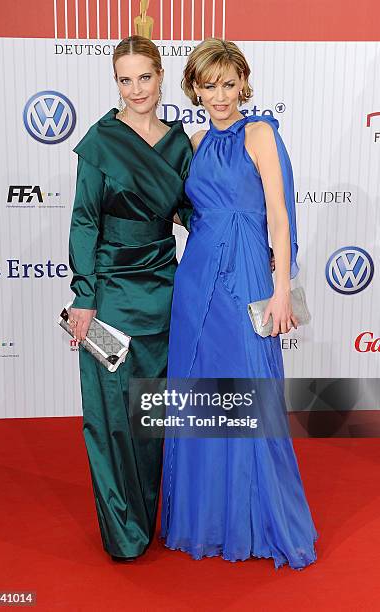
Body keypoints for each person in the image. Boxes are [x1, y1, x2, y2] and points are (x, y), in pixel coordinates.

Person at [161, 39, 318, 570]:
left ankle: (257, 518)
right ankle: (204, 520)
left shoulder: (261, 134)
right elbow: (173, 206)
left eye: (229, 84)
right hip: (197, 277)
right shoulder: (192, 140)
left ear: (242, 85)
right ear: (195, 88)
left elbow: (279, 216)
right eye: (210, 85)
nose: (220, 95)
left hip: (248, 274)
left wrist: (279, 289)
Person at [68, 35, 193, 561]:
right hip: (112, 294)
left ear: (161, 76)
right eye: (125, 78)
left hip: (166, 292)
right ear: (115, 81)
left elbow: (196, 215)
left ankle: (155, 515)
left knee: (152, 413)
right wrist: (84, 296)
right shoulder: (100, 141)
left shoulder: (180, 145)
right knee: (112, 414)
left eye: (145, 77)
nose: (136, 89)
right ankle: (123, 530)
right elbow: (85, 220)